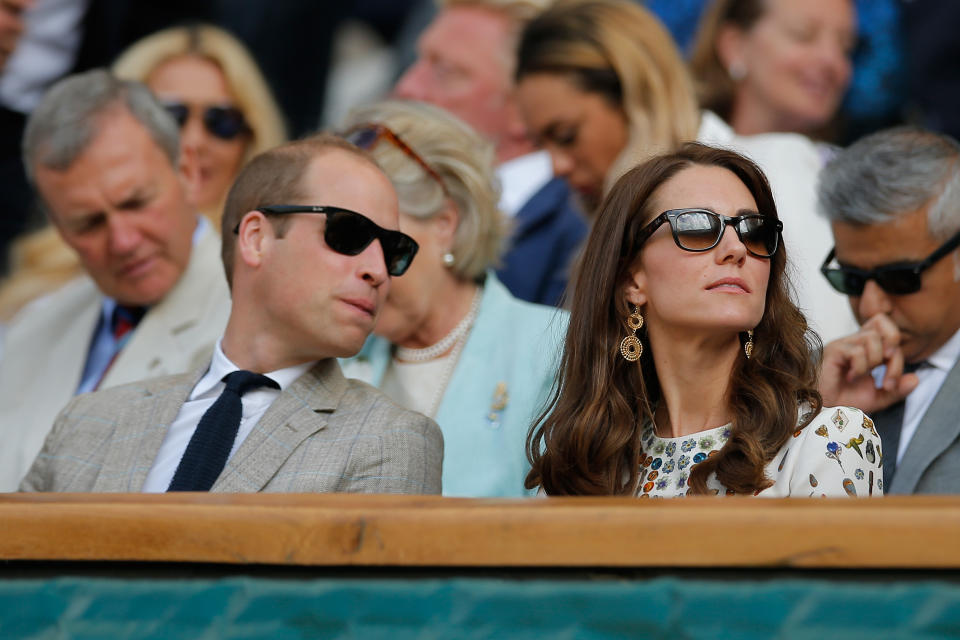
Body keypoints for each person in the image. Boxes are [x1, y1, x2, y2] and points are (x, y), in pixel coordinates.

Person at [21, 133, 444, 494]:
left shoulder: (390, 441)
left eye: (393, 251)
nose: (377, 270)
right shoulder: (87, 422)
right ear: (256, 239)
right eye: (348, 233)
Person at [527, 142, 882, 498]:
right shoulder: (581, 470)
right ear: (631, 280)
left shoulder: (827, 440)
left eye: (753, 230)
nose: (737, 248)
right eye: (697, 226)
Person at [513, 0, 857, 344]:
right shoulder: (601, 224)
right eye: (541, 144)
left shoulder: (772, 167)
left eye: (566, 136)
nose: (557, 166)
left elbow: (824, 351)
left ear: (635, 97)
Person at [0, 70, 231, 491]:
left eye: (136, 202)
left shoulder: (255, 324)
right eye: (88, 223)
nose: (123, 241)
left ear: (188, 172)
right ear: (59, 227)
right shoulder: (28, 334)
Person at [339, 99, 564, 497]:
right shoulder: (333, 354)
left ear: (446, 223)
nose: (363, 266)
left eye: (383, 239)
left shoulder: (556, 347)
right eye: (346, 241)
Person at [0, 23, 287, 321]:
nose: (193, 140)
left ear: (251, 138)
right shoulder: (38, 304)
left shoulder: (267, 291)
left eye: (221, 121)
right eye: (170, 116)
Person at [395, 0, 586, 306]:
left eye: (445, 71)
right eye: (419, 60)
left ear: (525, 105)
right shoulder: (391, 196)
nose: (408, 87)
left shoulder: (577, 235)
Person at [818, 127, 960, 495]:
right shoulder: (811, 383)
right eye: (850, 278)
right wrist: (814, 419)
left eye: (899, 278)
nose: (869, 306)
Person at [689, 0, 857, 139]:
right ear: (735, 46)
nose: (831, 59)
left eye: (845, 47)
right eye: (803, 35)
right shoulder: (679, 161)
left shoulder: (856, 174)